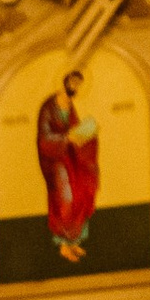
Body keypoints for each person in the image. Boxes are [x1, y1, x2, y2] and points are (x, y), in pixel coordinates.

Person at [35, 65, 99, 263]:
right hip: (54, 161)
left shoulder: (70, 106)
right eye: (73, 82)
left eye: (78, 84)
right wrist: (66, 138)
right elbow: (44, 138)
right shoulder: (48, 107)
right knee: (65, 198)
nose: (75, 86)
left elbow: (76, 130)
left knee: (80, 191)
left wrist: (85, 136)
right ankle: (63, 244)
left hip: (71, 159)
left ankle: (73, 242)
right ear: (64, 81)